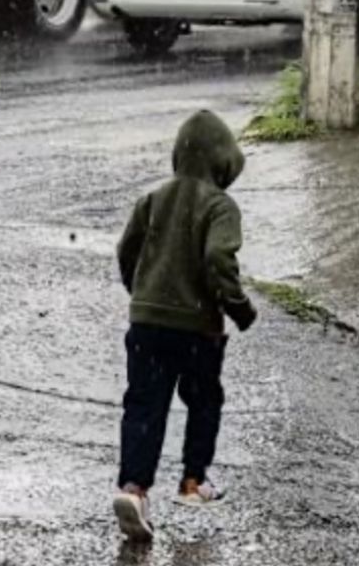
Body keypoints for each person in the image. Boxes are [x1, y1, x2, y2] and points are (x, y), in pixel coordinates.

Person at [112, 110, 257, 541]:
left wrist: (140, 293)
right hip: (197, 328)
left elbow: (126, 251)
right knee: (204, 400)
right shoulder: (220, 205)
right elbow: (218, 259)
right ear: (224, 162)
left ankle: (134, 489)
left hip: (147, 323)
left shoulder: (153, 199)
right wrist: (238, 307)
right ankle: (193, 482)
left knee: (143, 404)